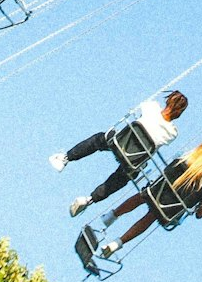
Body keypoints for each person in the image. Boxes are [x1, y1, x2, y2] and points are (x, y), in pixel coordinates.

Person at [50, 91, 189, 217]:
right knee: (122, 178)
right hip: (134, 160)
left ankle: (66, 158)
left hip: (120, 143)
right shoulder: (173, 132)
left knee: (98, 140)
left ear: (168, 101)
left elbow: (143, 106)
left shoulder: (152, 108)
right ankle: (90, 199)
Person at [97, 141, 202, 258]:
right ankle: (118, 243)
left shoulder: (190, 156)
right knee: (151, 216)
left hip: (156, 191)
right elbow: (200, 214)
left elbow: (168, 169)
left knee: (142, 197)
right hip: (168, 210)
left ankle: (111, 216)